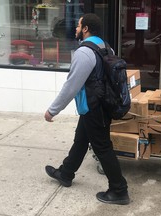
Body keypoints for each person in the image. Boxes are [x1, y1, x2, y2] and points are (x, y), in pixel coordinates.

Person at [44, 13, 130, 205]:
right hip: (100, 105)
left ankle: (119, 190)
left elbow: (72, 85)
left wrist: (52, 110)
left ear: (85, 29)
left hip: (93, 107)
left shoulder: (84, 52)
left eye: (78, 26)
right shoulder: (106, 47)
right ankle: (66, 173)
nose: (75, 29)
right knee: (81, 139)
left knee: (102, 148)